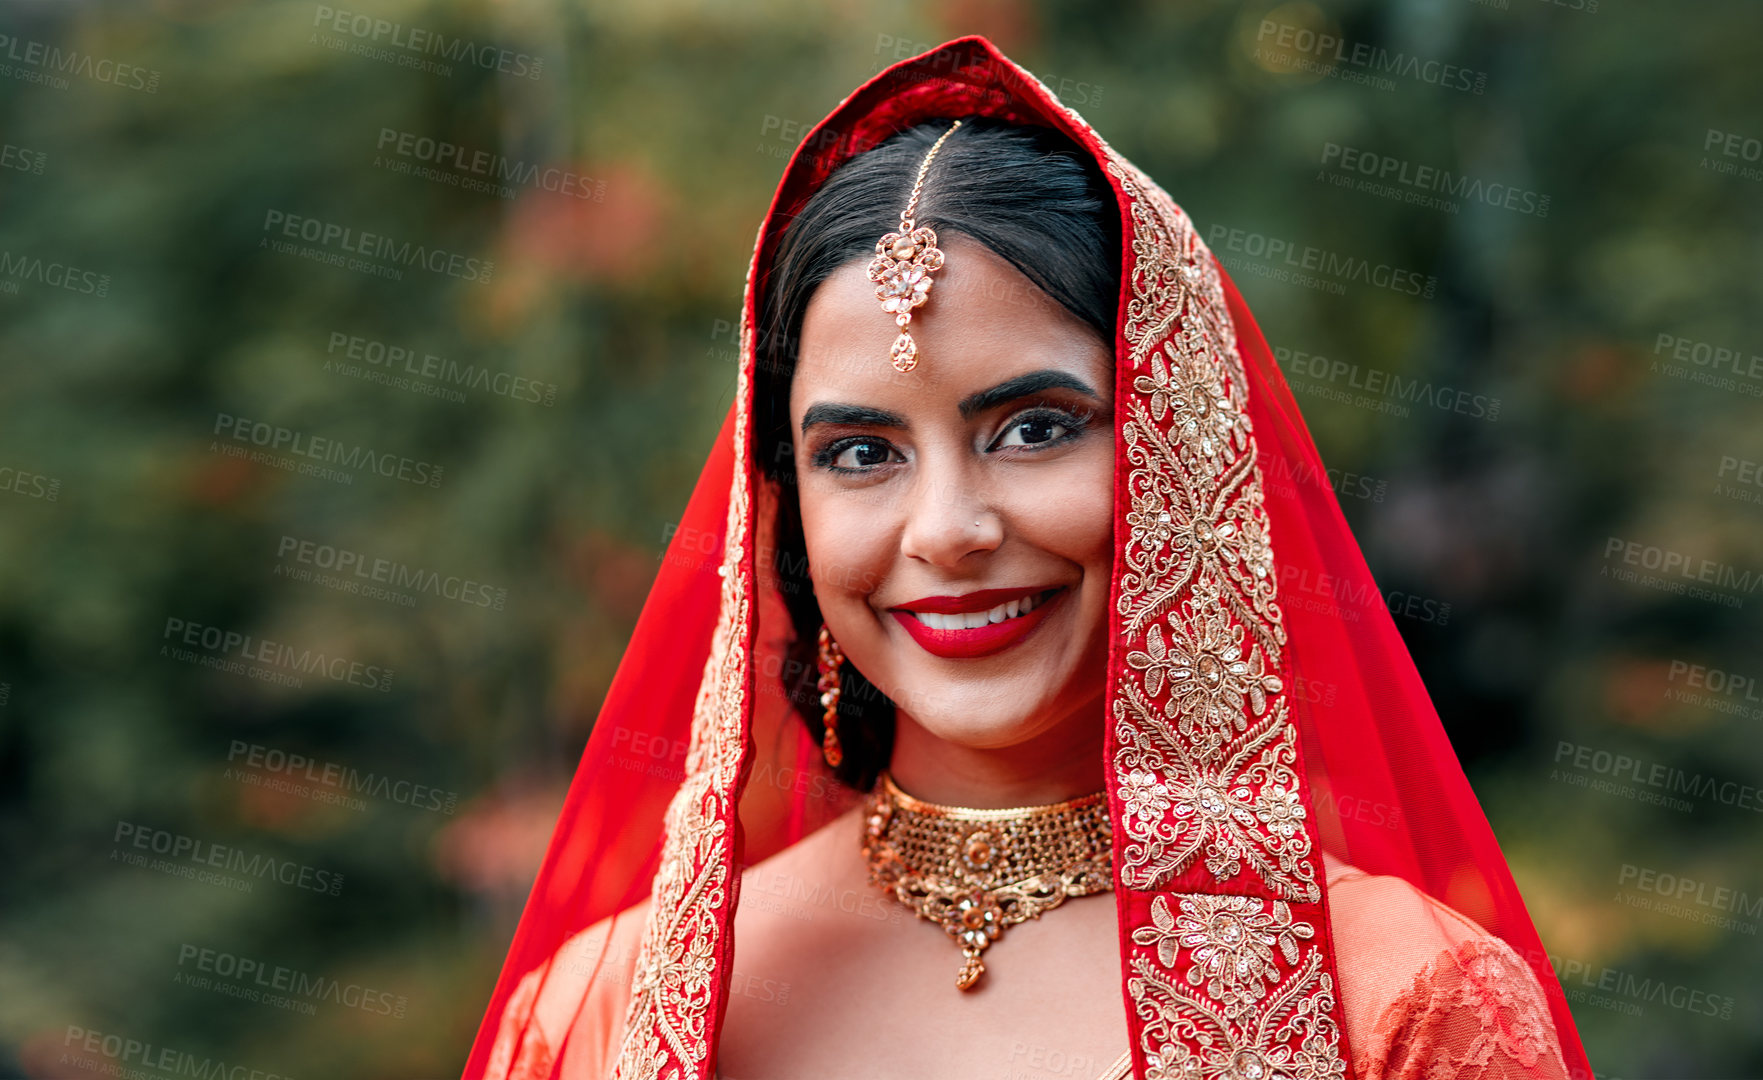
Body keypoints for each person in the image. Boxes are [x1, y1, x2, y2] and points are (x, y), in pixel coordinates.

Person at [462, 36, 1592, 1080]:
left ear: (1178, 449)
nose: (948, 529)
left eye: (1034, 428)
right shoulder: (608, 1012)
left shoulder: (1400, 1007)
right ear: (785, 506)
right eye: (860, 452)